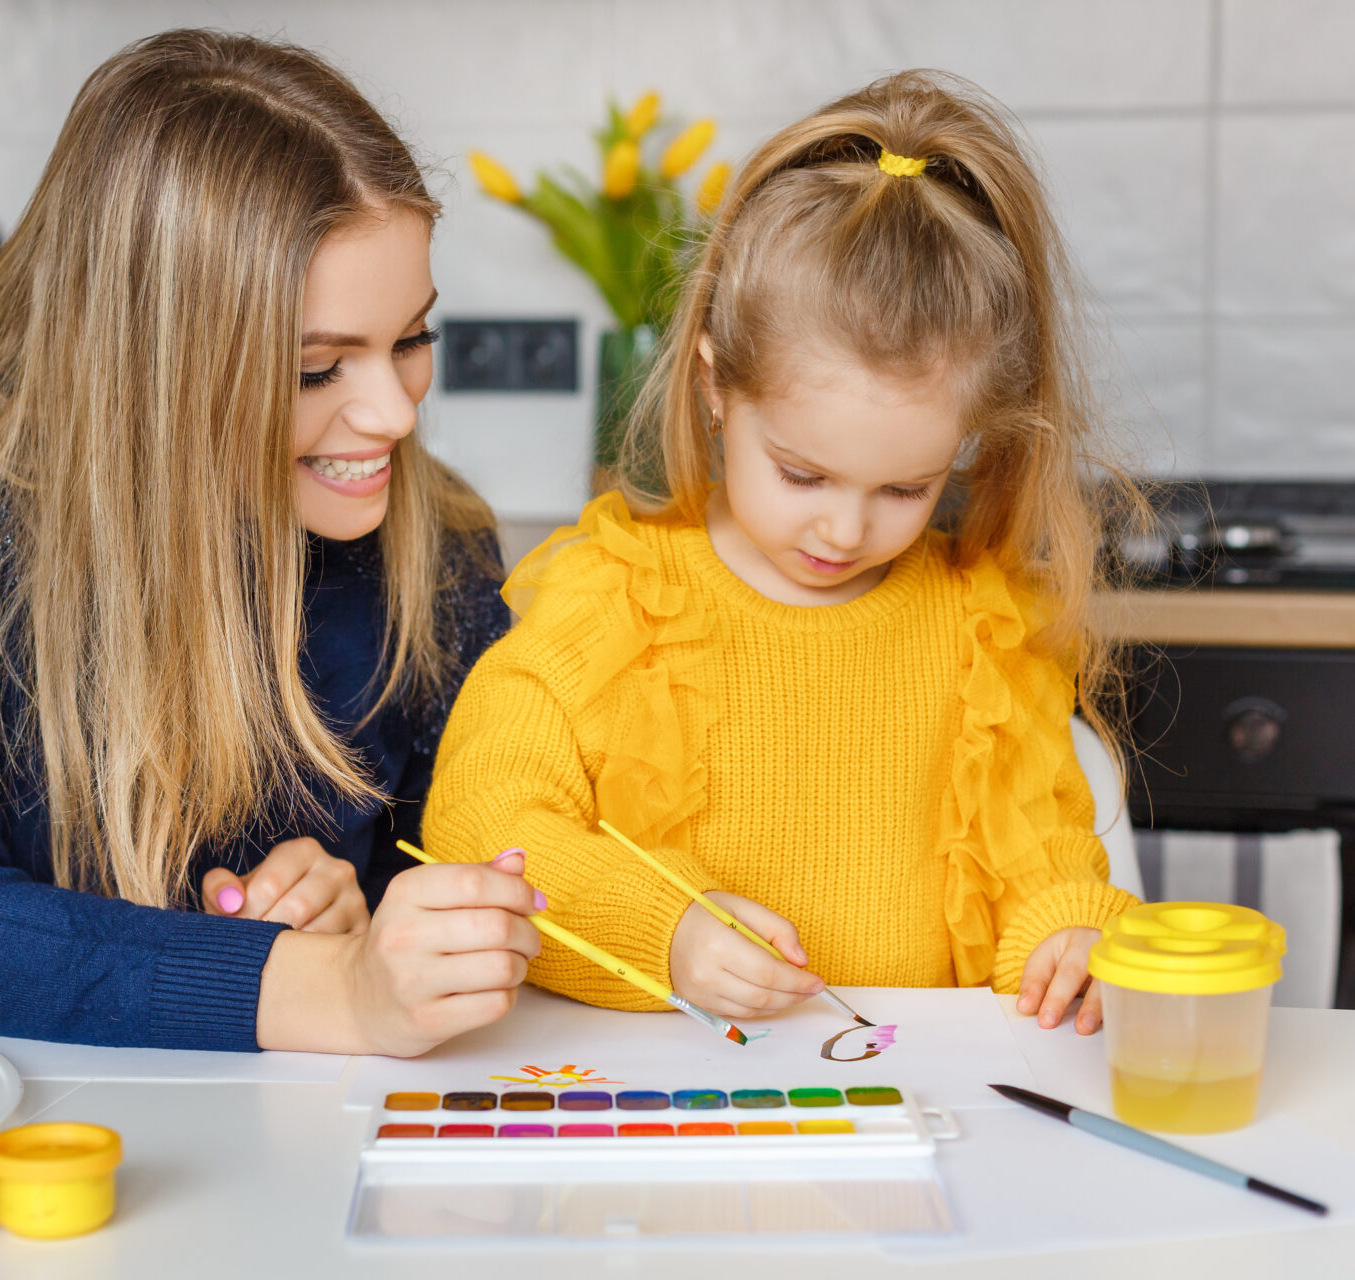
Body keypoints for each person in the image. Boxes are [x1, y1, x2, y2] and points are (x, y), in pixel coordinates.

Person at [0, 30, 542, 1056]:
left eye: (412, 338)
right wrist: (320, 986)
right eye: (317, 369)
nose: (396, 416)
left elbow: (446, 852)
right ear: (157, 369)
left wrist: (366, 907)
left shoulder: (436, 542)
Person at [425, 70, 1144, 1036]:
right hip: (663, 1107)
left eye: (905, 490)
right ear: (716, 387)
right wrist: (665, 934)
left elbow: (1040, 862)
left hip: (900, 1107)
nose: (846, 533)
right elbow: (484, 825)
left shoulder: (975, 623)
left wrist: (1072, 941)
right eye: (803, 475)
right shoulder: (615, 597)